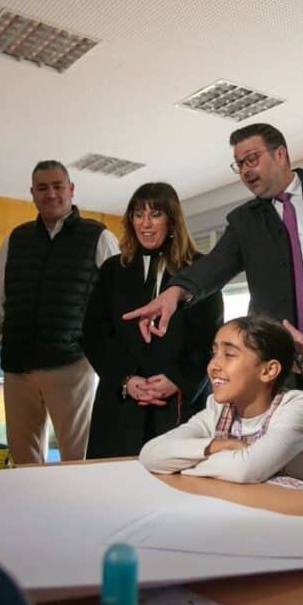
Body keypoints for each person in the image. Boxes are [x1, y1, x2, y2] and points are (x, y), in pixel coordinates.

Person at [123, 124, 303, 454]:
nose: (246, 170)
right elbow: (215, 265)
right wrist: (175, 293)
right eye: (239, 164)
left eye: (251, 159)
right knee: (293, 455)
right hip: (287, 358)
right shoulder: (245, 221)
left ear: (280, 153)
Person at [0, 161, 119, 464]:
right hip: (18, 370)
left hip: (72, 367)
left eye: (57, 185)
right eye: (42, 188)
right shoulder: (15, 239)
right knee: (24, 461)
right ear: (32, 194)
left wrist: (113, 366)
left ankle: (79, 512)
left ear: (71, 189)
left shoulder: (99, 237)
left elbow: (117, 307)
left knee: (78, 460)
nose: (50, 194)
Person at [83, 183, 223, 458]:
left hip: (177, 403)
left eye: (155, 214)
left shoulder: (199, 269)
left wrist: (178, 380)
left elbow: (210, 336)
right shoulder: (113, 269)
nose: (145, 224)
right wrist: (126, 379)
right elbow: (94, 334)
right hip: (121, 401)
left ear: (172, 220)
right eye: (138, 214)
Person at [140, 317, 303, 489]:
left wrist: (180, 465)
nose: (213, 366)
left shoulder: (297, 407)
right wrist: (215, 446)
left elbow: (244, 470)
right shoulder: (218, 409)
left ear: (268, 371)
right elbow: (150, 454)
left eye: (229, 355)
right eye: (214, 353)